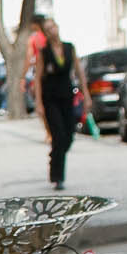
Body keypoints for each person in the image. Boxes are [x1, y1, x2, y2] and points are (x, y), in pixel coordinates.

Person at [30, 18, 83, 190]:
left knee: (69, 135)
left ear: (58, 28)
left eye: (53, 26)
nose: (52, 30)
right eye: (48, 29)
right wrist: (38, 102)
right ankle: (57, 176)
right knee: (58, 134)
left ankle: (55, 156)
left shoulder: (69, 48)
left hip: (67, 96)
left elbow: (79, 70)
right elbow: (37, 78)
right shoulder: (44, 53)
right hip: (50, 98)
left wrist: (86, 94)